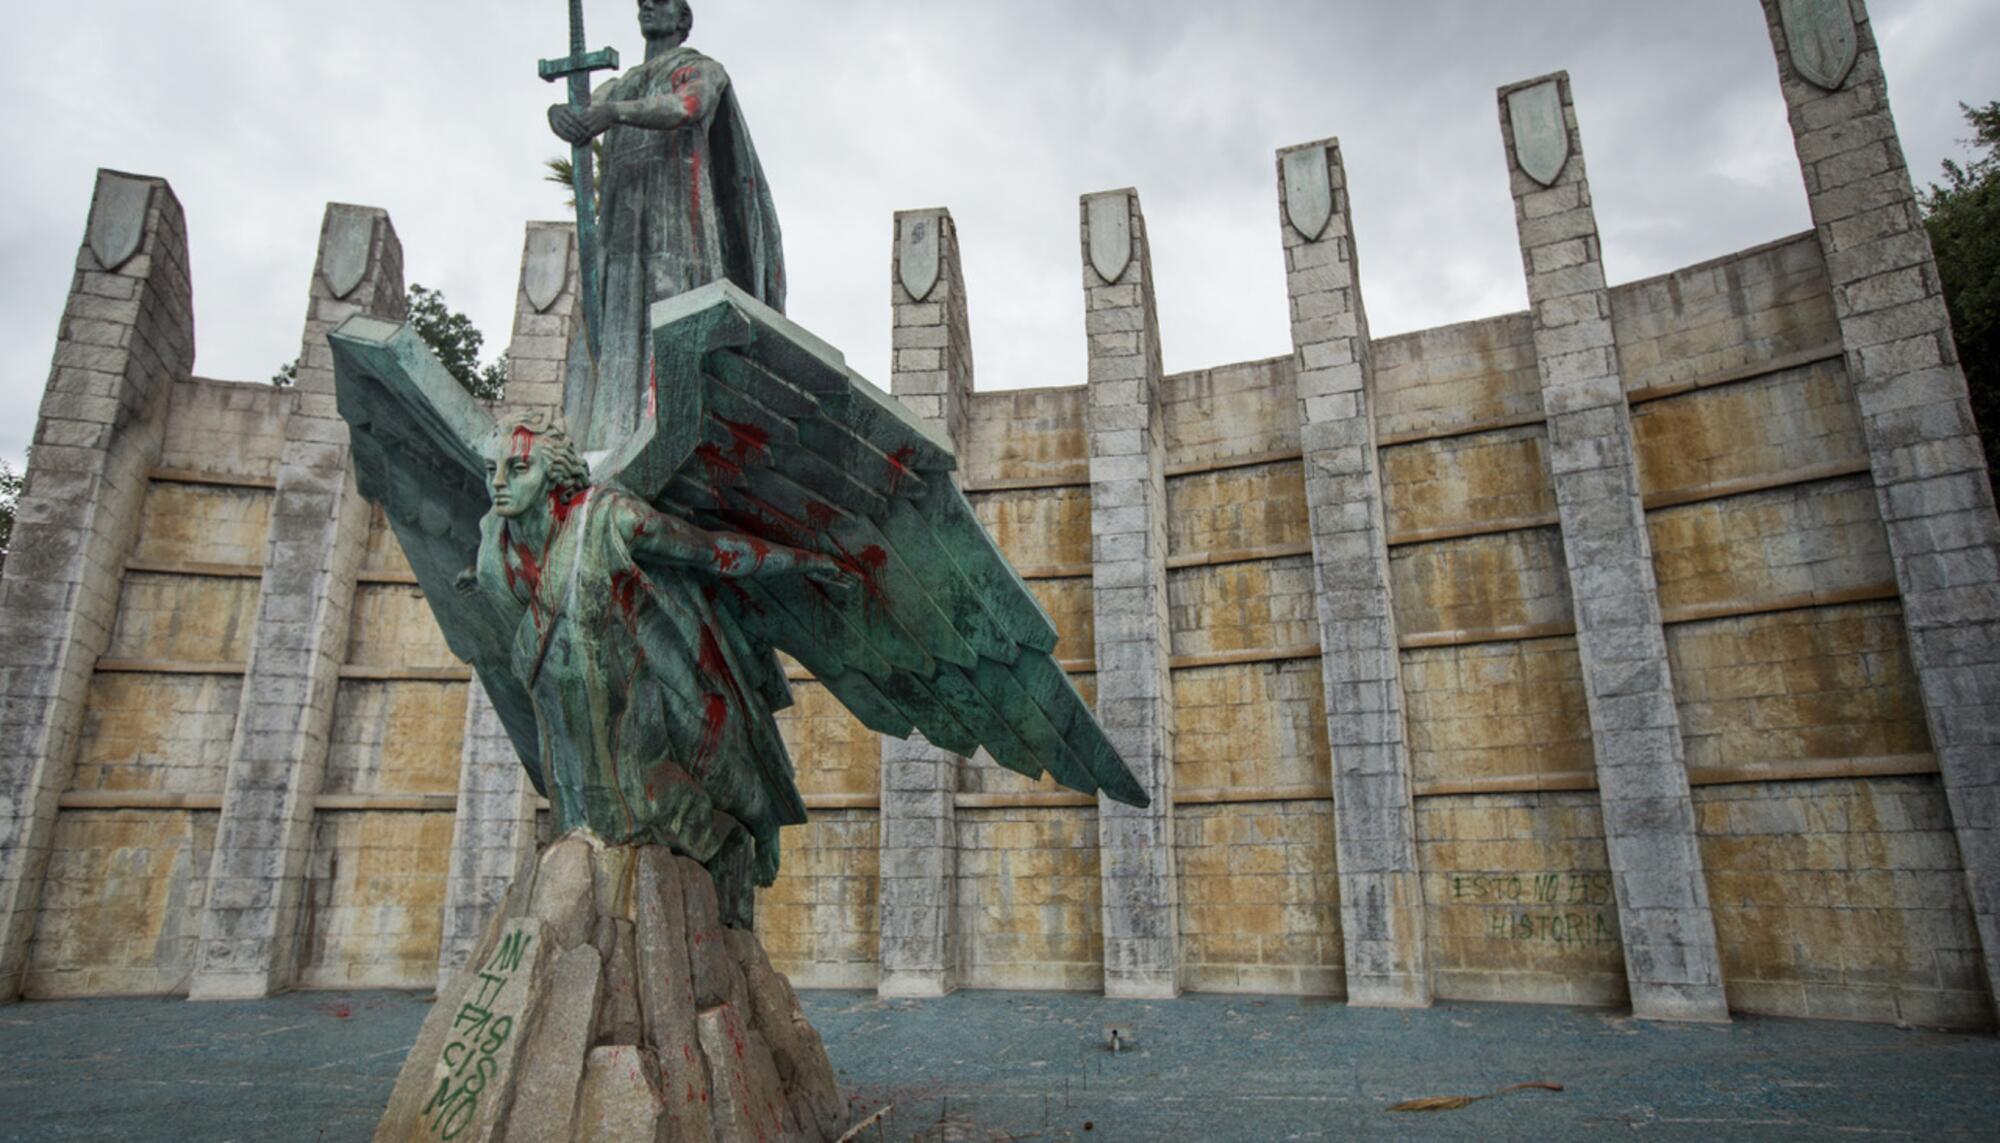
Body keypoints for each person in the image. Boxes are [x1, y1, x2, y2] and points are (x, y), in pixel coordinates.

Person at [466, 410, 845, 925]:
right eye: (493, 469)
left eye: (518, 468)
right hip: (562, 725)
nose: (499, 484)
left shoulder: (610, 518)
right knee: (581, 830)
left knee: (666, 804)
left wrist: (802, 562)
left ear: (554, 476)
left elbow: (712, 552)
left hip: (634, 702)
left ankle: (737, 865)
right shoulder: (495, 541)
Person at [550, 0, 785, 453]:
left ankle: (674, 428)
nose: (649, 7)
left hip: (678, 225)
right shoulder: (620, 84)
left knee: (672, 309)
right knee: (615, 315)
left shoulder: (699, 68)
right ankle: (607, 434)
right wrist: (560, 116)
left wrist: (614, 114)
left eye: (662, 2)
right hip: (621, 223)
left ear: (683, 20)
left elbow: (688, 106)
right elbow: (582, 113)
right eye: (643, 3)